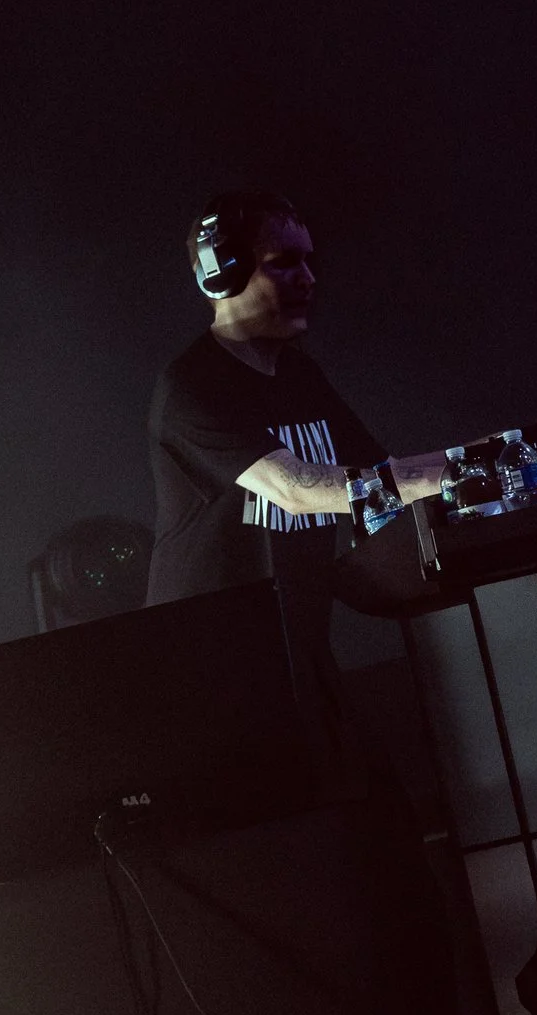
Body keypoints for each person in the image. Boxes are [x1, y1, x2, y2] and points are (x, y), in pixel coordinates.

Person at [146, 189, 451, 699]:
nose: (308, 279)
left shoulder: (300, 375)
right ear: (222, 273)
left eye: (308, 261)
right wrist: (459, 470)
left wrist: (486, 468)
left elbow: (379, 477)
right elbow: (297, 489)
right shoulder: (191, 387)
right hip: (206, 670)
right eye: (284, 263)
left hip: (297, 657)